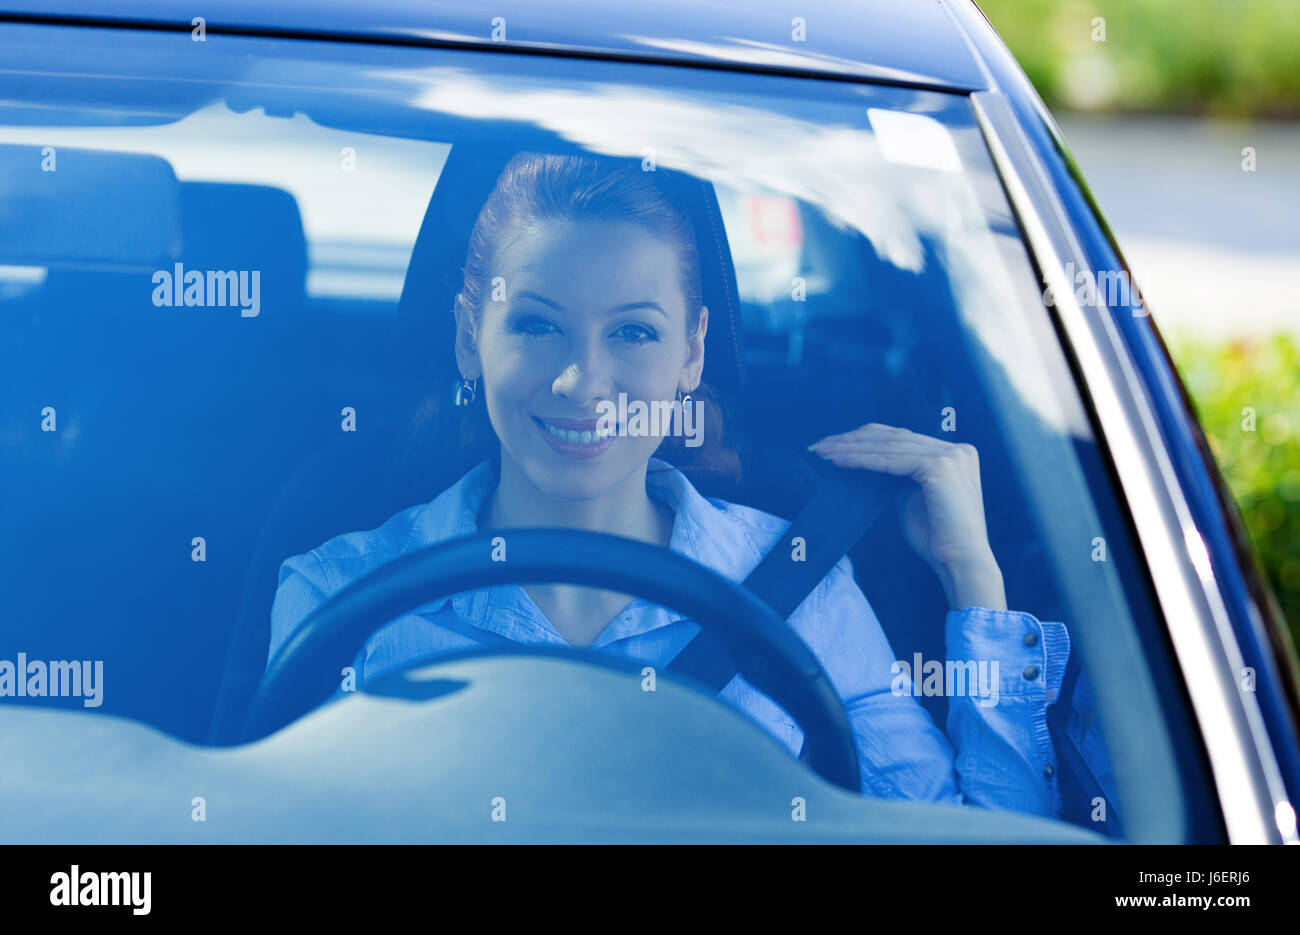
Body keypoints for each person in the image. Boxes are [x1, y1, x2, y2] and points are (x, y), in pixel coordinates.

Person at [268, 152, 1074, 818]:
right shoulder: (340, 597)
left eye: (632, 332)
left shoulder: (799, 587)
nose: (584, 382)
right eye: (538, 323)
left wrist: (974, 574)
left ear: (692, 353)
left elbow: (981, 853)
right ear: (468, 339)